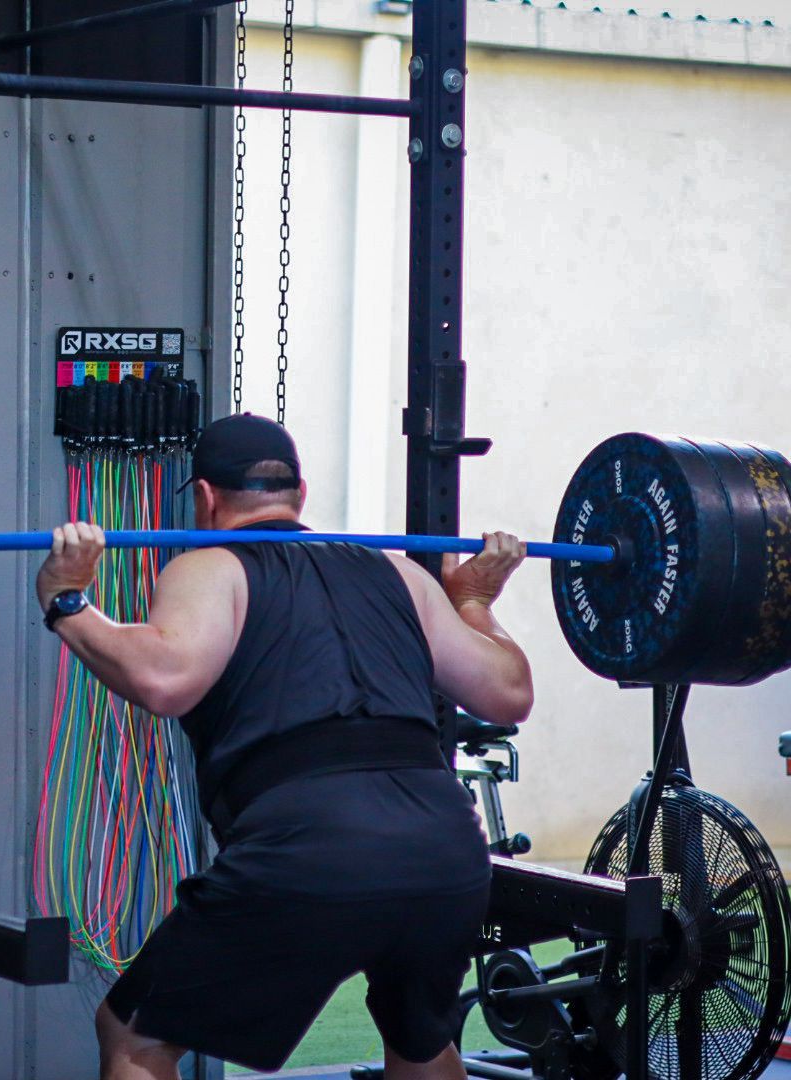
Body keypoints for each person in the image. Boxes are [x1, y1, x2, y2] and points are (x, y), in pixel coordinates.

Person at [34, 413, 533, 1080]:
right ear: (299, 493)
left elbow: (163, 679)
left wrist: (68, 601)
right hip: (444, 849)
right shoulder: (400, 574)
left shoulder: (212, 565)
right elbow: (507, 692)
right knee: (421, 1045)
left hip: (311, 849)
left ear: (206, 498)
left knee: (134, 1036)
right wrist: (473, 601)